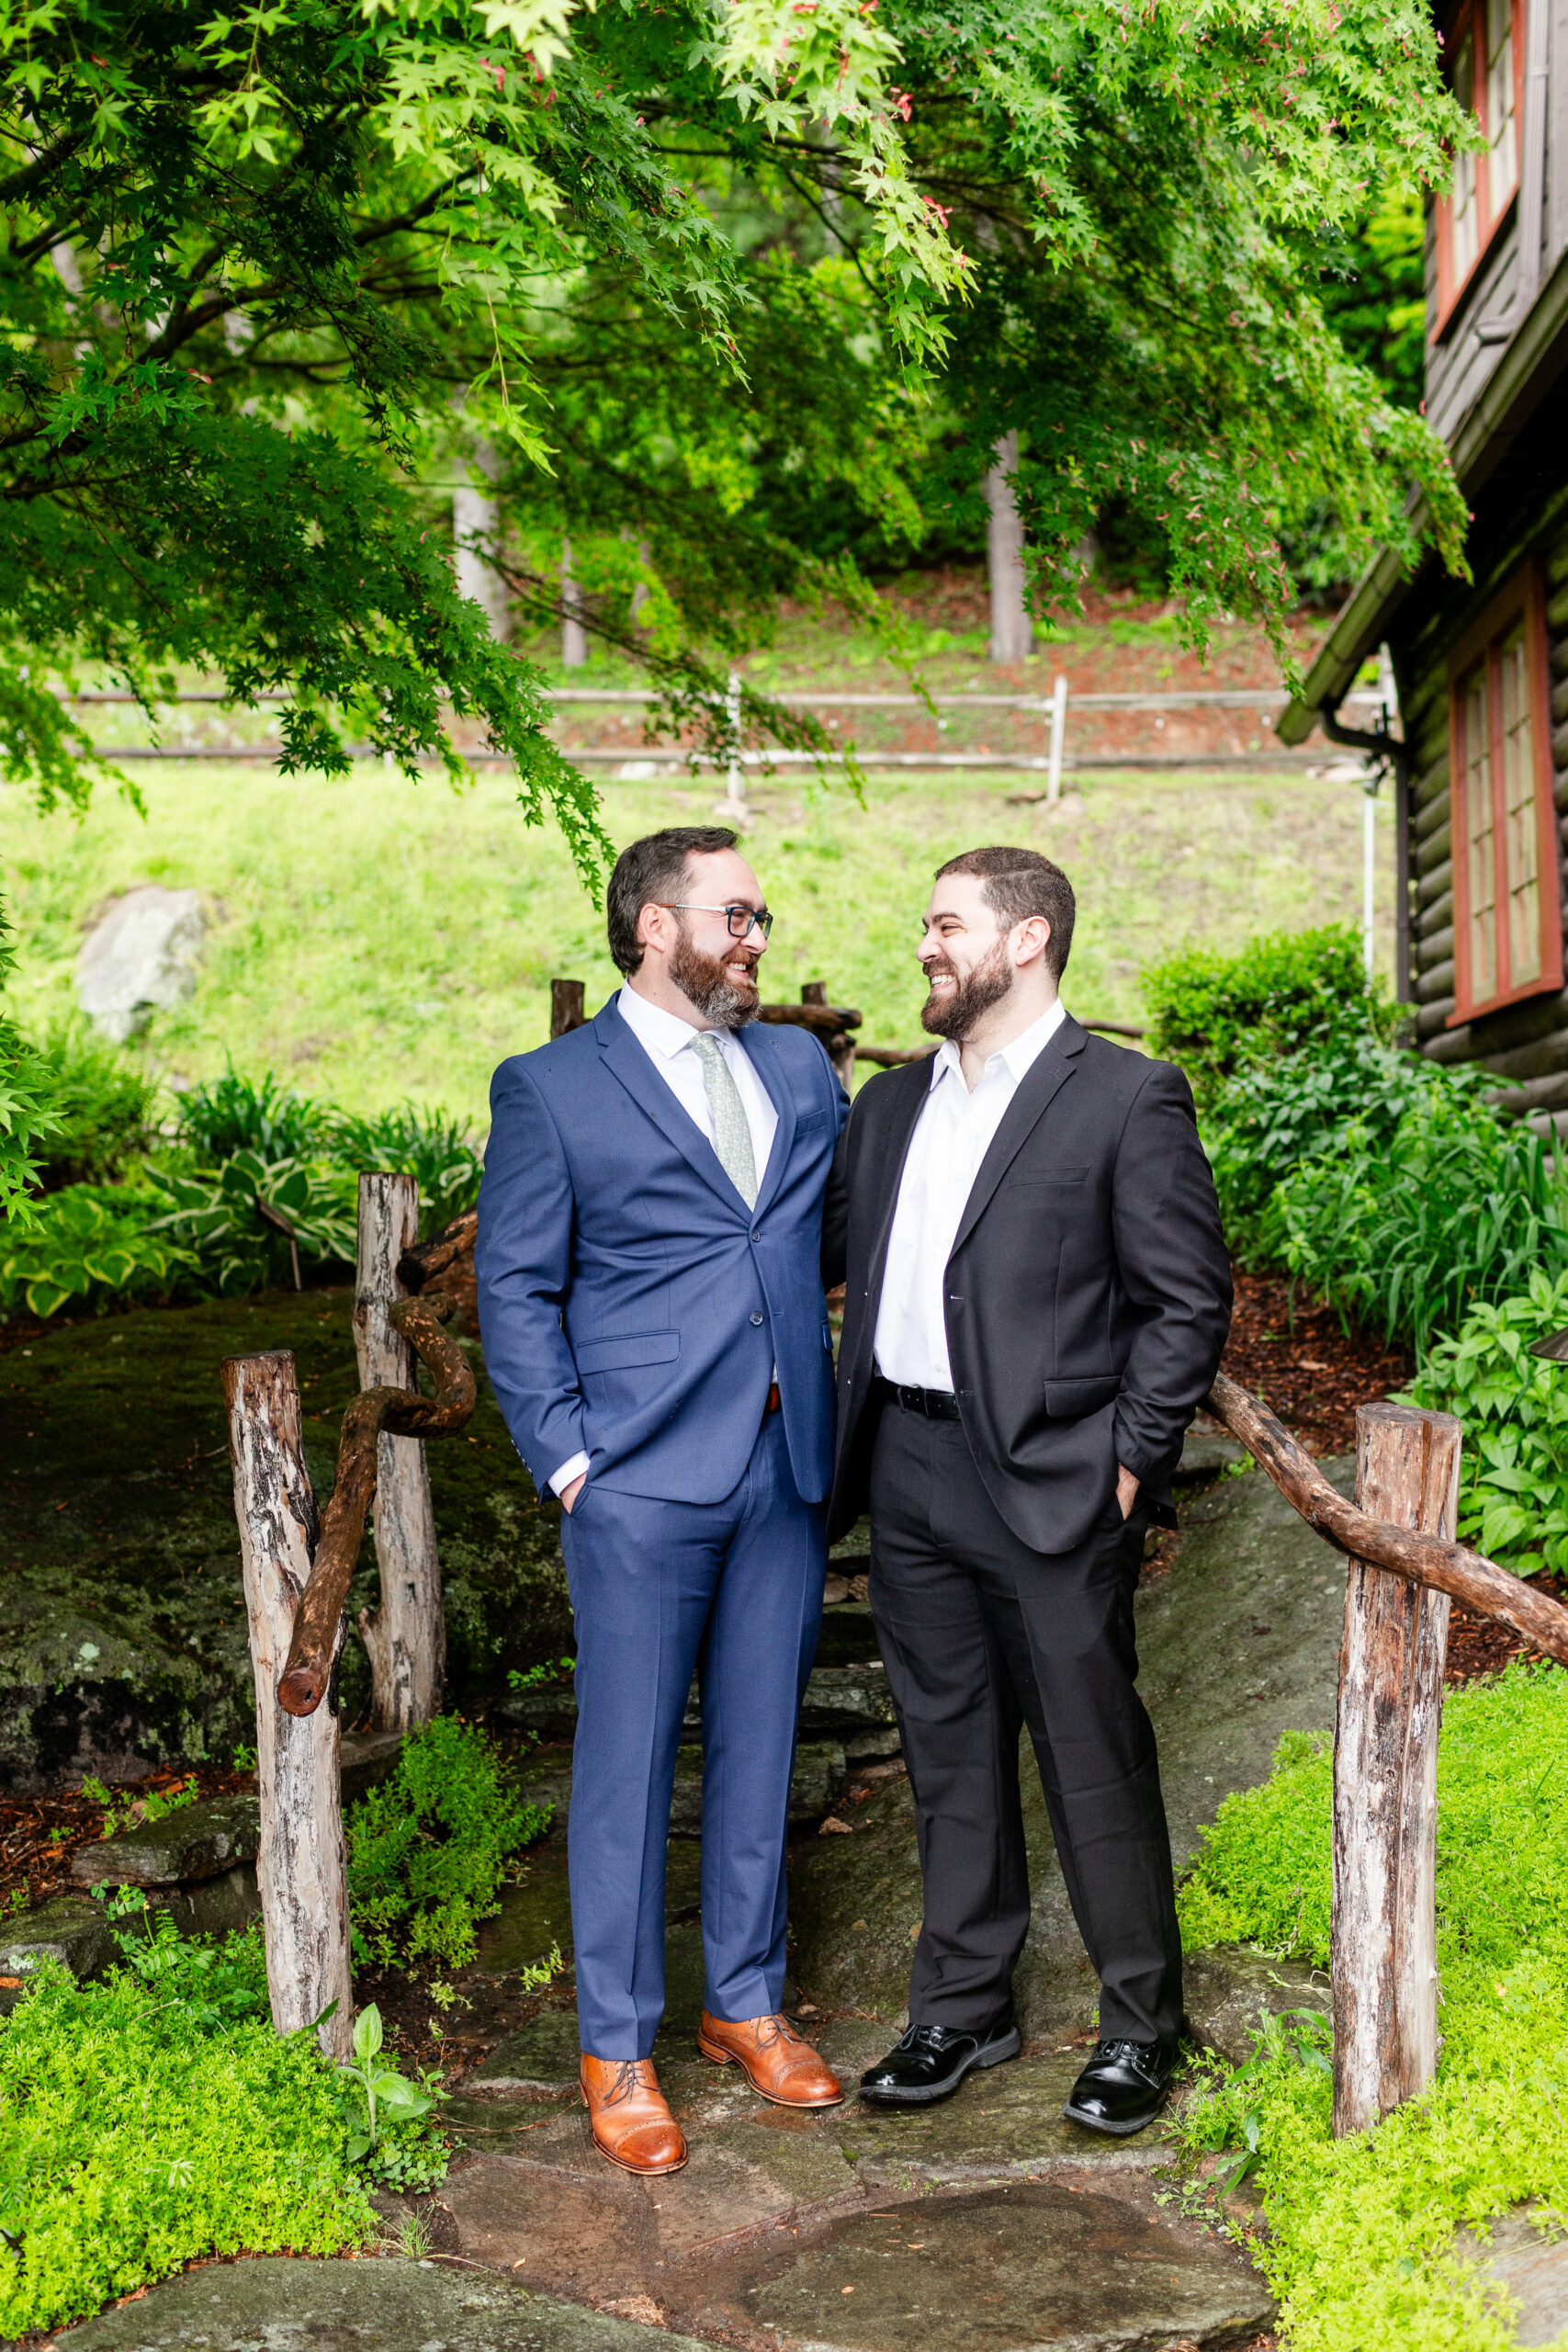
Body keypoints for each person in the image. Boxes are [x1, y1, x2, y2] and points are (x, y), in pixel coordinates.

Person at [821, 845, 1231, 2136]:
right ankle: (964, 2005)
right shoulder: (890, 1109)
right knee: (947, 1751)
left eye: (946, 925)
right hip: (909, 1465)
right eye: (925, 923)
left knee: (1090, 1750)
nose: (926, 946)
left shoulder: (1124, 1096)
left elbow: (1185, 1299)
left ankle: (1136, 2025)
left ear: (1029, 937)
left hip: (1056, 1477)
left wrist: (1128, 1457)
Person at [476, 827, 848, 2177]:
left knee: (762, 1748)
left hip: (784, 1466)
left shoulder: (800, 1066)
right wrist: (571, 1460)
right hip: (635, 1481)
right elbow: (513, 1290)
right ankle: (615, 2045)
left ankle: (743, 2001)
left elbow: (832, 1233)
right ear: (653, 922)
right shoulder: (551, 1088)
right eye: (736, 913)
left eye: (763, 913)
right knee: (627, 1768)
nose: (756, 936)